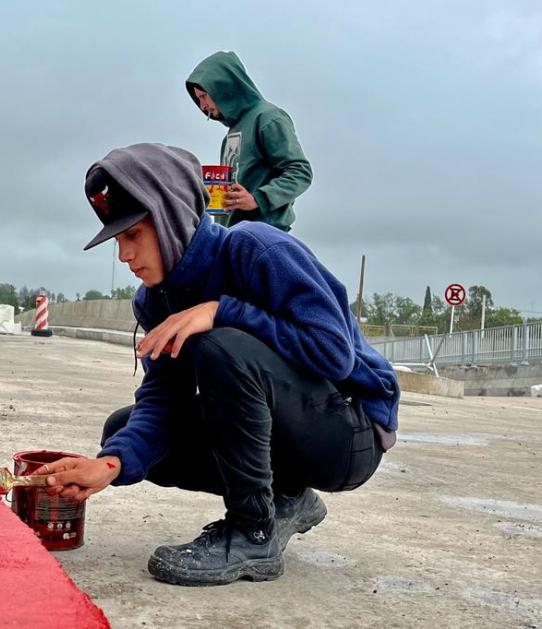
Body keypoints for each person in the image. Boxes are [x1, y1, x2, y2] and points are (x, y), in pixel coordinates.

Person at [42, 143, 398, 587]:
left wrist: (221, 310)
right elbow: (164, 399)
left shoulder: (257, 248)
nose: (124, 256)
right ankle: (287, 498)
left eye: (133, 235)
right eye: (118, 240)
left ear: (171, 217)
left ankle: (253, 533)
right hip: (285, 439)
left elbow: (334, 353)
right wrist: (111, 465)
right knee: (122, 432)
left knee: (221, 347)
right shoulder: (156, 299)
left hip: (348, 435)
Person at [187, 51, 312, 230]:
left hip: (264, 236)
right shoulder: (233, 131)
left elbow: (300, 172)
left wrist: (257, 199)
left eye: (203, 96)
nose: (202, 106)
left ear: (221, 86)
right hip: (233, 236)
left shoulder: (268, 118)